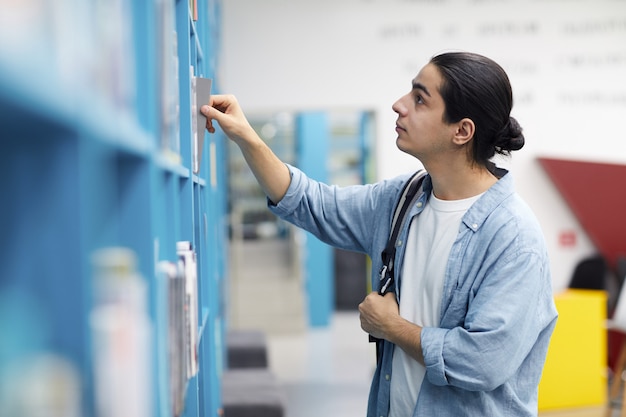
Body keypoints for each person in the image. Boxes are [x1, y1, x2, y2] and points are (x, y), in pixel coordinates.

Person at [201, 51, 558, 417]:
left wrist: (391, 326)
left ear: (462, 131)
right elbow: (312, 203)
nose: (398, 105)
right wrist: (247, 137)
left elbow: (482, 362)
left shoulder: (513, 239)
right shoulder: (402, 200)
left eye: (420, 99)